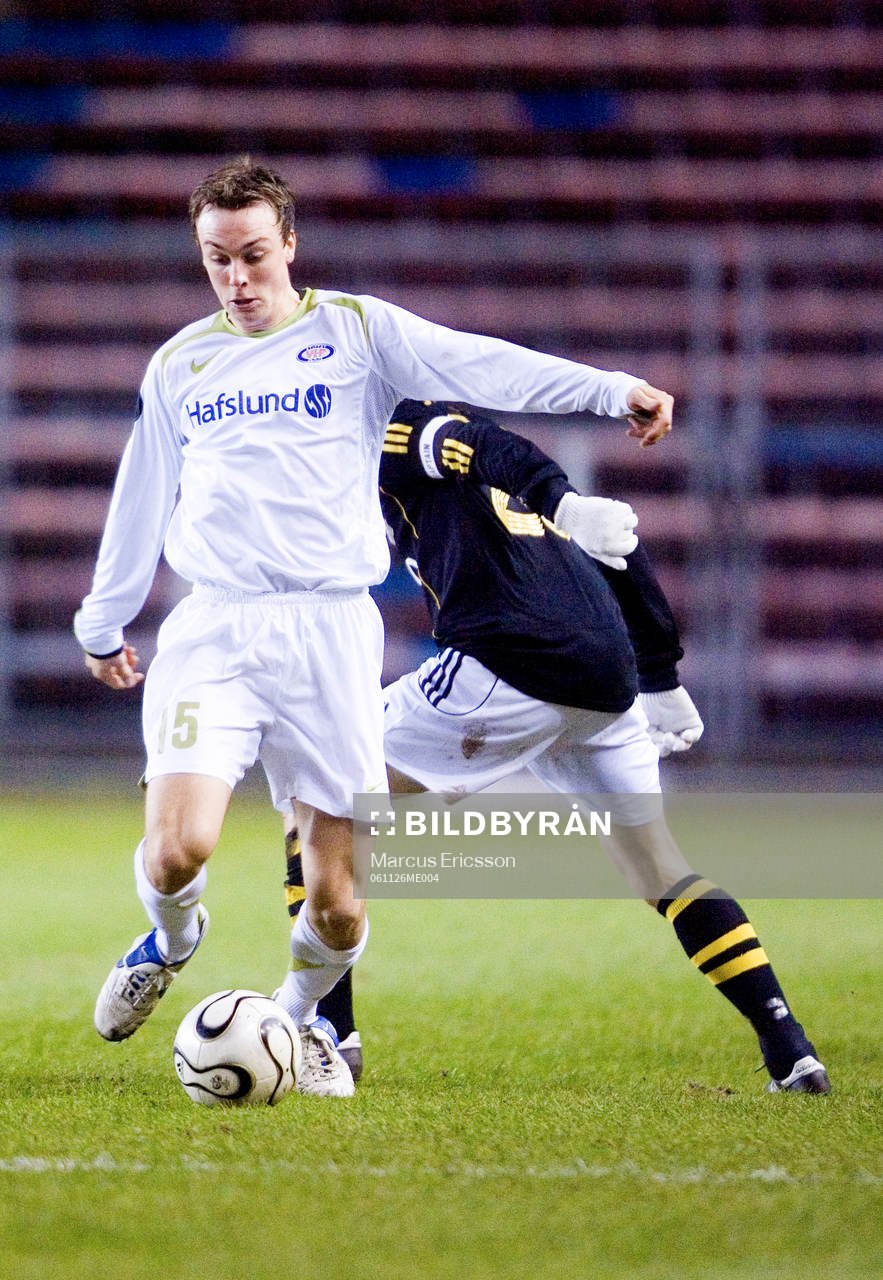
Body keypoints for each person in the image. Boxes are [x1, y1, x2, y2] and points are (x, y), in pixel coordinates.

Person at [73, 158, 675, 1099]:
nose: (237, 280)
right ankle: (171, 940)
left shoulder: (355, 332)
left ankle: (298, 1019)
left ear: (291, 247)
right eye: (217, 259)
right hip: (219, 627)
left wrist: (605, 389)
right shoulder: (181, 363)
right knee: (176, 850)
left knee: (339, 906)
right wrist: (103, 620)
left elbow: (478, 361)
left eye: (255, 257)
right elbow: (139, 496)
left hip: (329, 634)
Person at [283, 400, 829, 1094]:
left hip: (506, 665)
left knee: (317, 792)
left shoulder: (399, 428)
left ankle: (328, 1033)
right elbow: (617, 543)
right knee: (659, 870)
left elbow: (478, 444)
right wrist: (658, 672)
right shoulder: (506, 483)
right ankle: (791, 1049)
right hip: (605, 677)